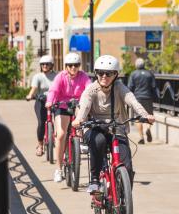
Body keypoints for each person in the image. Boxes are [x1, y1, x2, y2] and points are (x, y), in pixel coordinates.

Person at [73, 55, 152, 195]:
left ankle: (124, 201)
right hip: (94, 127)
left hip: (116, 127)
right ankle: (95, 181)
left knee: (126, 165)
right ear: (96, 73)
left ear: (116, 75)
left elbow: (132, 100)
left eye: (108, 73)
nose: (104, 76)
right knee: (99, 141)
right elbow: (84, 105)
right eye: (100, 73)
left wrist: (145, 115)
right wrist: (79, 119)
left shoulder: (119, 87)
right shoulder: (91, 89)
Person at [45, 51, 91, 183]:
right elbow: (53, 90)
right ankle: (58, 169)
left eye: (76, 65)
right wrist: (50, 101)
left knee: (83, 111)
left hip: (77, 105)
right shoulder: (61, 76)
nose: (73, 68)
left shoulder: (83, 76)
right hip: (62, 106)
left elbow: (89, 89)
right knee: (60, 135)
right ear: (66, 66)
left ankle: (81, 138)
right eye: (70, 65)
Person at [25, 55, 54, 156]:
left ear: (51, 65)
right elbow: (34, 88)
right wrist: (30, 95)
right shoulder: (38, 76)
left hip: (54, 102)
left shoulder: (57, 76)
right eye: (43, 64)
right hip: (41, 102)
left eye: (47, 64)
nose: (45, 66)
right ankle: (40, 145)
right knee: (41, 123)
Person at [126, 54, 157, 143]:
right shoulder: (149, 74)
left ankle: (141, 137)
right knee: (150, 116)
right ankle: (147, 128)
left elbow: (130, 87)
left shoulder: (133, 74)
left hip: (137, 98)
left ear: (136, 65)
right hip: (148, 97)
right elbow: (154, 87)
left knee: (138, 118)